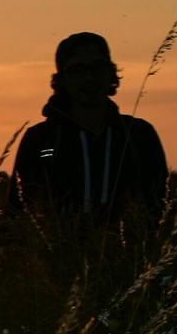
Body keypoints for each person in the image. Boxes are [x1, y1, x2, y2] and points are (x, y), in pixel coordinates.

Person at [12, 32, 167, 221]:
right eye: (77, 70)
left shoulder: (139, 135)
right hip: (59, 249)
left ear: (111, 73)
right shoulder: (39, 139)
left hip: (129, 249)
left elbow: (160, 206)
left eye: (97, 67)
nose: (89, 78)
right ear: (61, 80)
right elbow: (16, 214)